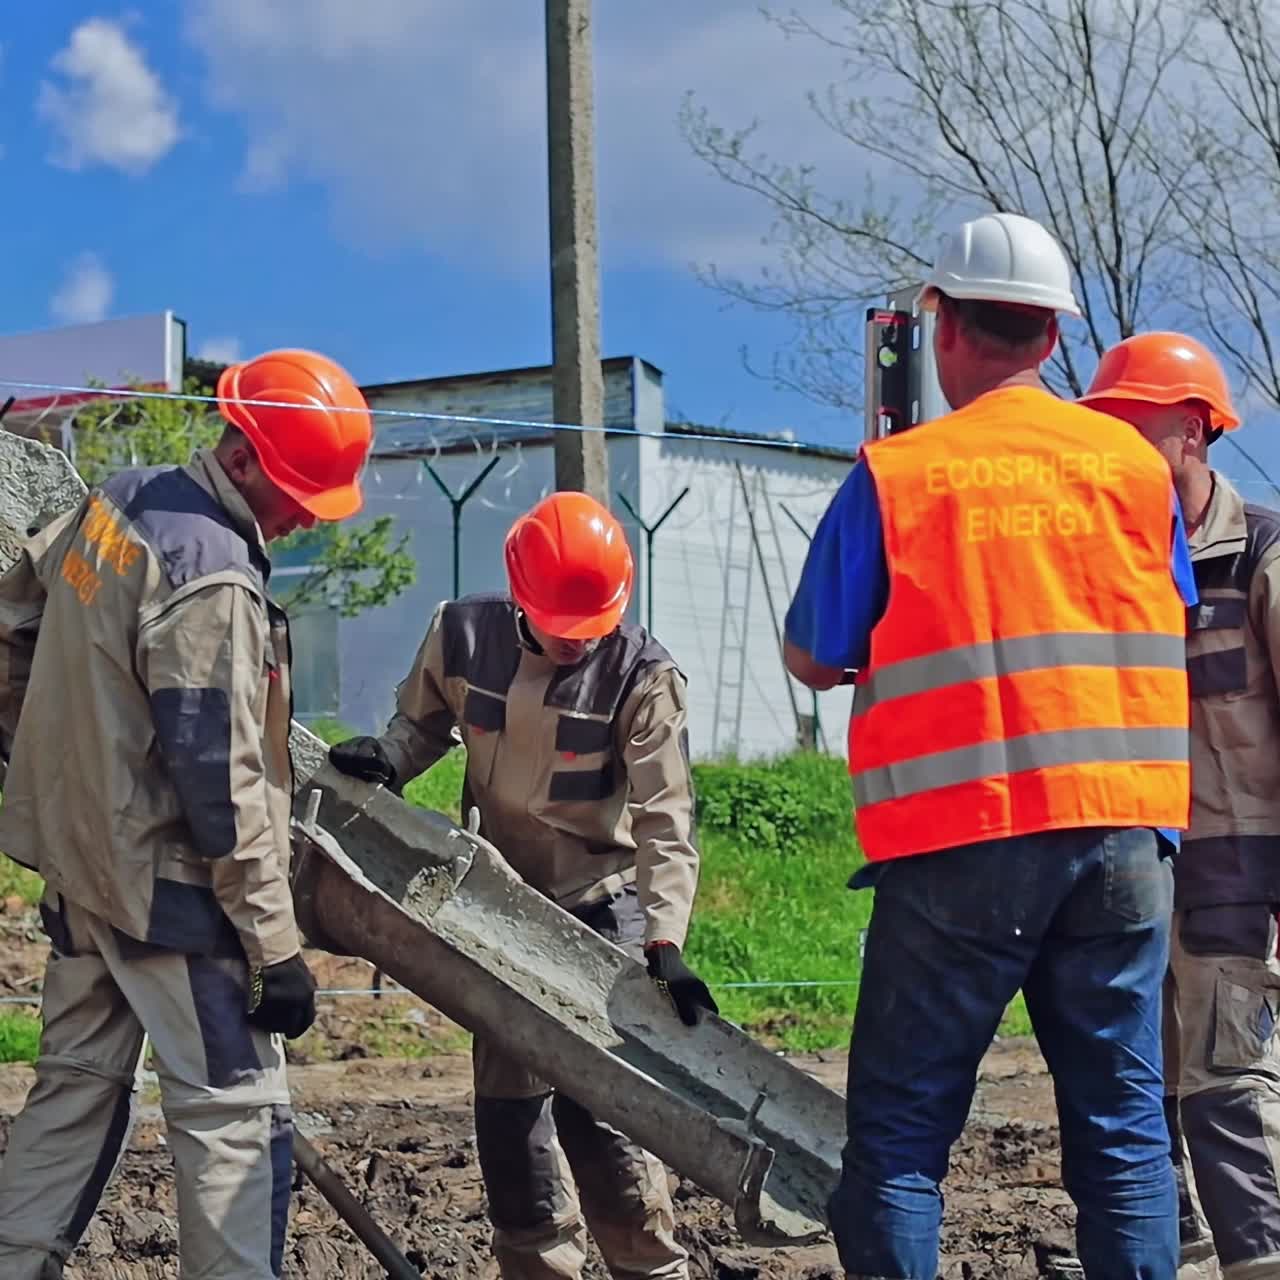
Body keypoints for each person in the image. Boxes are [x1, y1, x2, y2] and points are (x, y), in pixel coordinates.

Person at [784, 211, 1196, 1280]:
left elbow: (810, 655)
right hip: (1122, 840)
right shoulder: (1134, 471)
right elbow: (1165, 616)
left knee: (900, 1145)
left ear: (939, 324)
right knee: (1122, 1136)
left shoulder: (898, 474)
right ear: (1053, 339)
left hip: (960, 841)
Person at [0, 348, 374, 1279]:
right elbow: (223, 780)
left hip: (83, 871)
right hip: (170, 893)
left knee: (76, 1089)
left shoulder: (120, 502)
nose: (298, 518)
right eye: (295, 493)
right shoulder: (213, 578)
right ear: (241, 454)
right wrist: (276, 948)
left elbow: (13, 625)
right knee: (237, 1120)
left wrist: (42, 768)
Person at [328, 490, 714, 1280]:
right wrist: (389, 760)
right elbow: (423, 723)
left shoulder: (644, 677)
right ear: (519, 597)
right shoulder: (461, 634)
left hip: (598, 914)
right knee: (513, 1130)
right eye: (561, 630)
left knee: (605, 1120)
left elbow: (665, 821)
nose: (577, 646)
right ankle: (538, 1268)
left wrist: (665, 938)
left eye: (592, 630)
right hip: (497, 908)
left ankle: (648, 1267)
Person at [1080, 333, 1280, 1280]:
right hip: (1126, 864)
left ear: (1195, 431)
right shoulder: (1103, 569)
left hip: (1239, 866)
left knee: (1226, 1087)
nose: (1112, 444)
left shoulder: (1261, 558)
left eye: (1133, 424)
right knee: (1134, 1088)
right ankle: (1178, 1253)